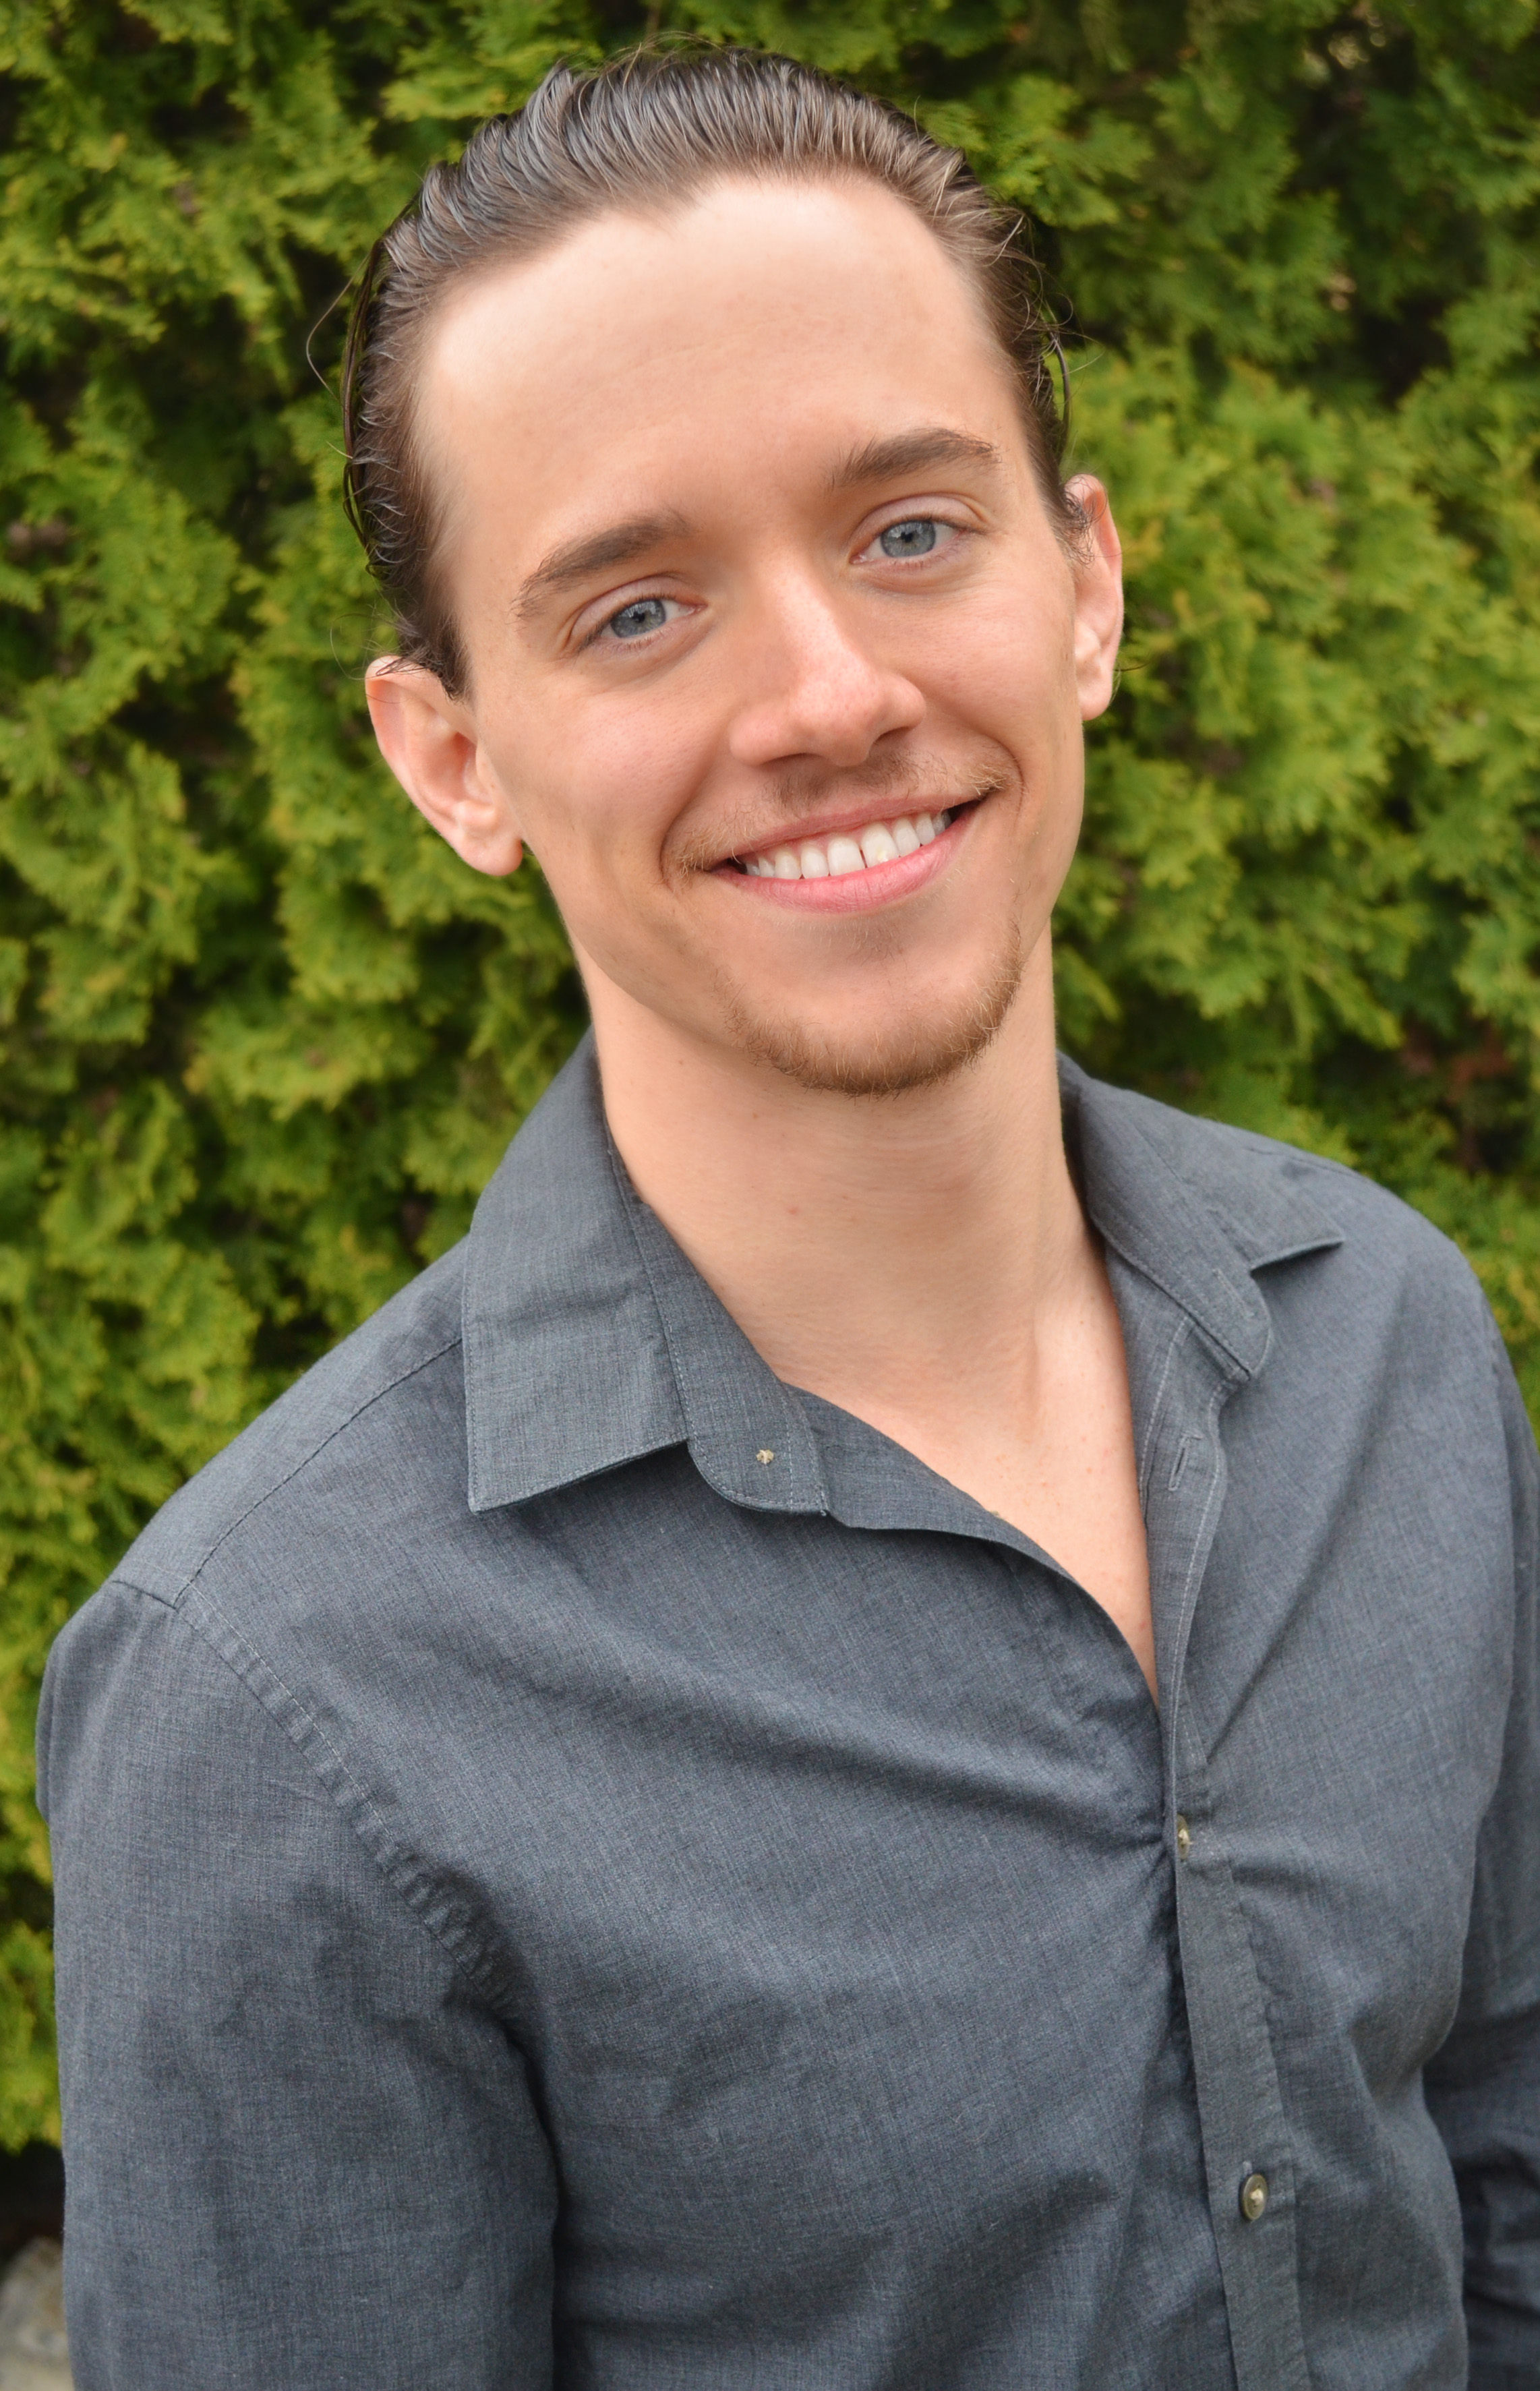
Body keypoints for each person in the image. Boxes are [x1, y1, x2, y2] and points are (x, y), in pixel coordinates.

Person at [39, 47, 1539, 2391]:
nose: (829, 692)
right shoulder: (279, 1693)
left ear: (1085, 586)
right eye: (638, 610)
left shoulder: (1387, 1342)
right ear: (453, 762)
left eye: (911, 531)